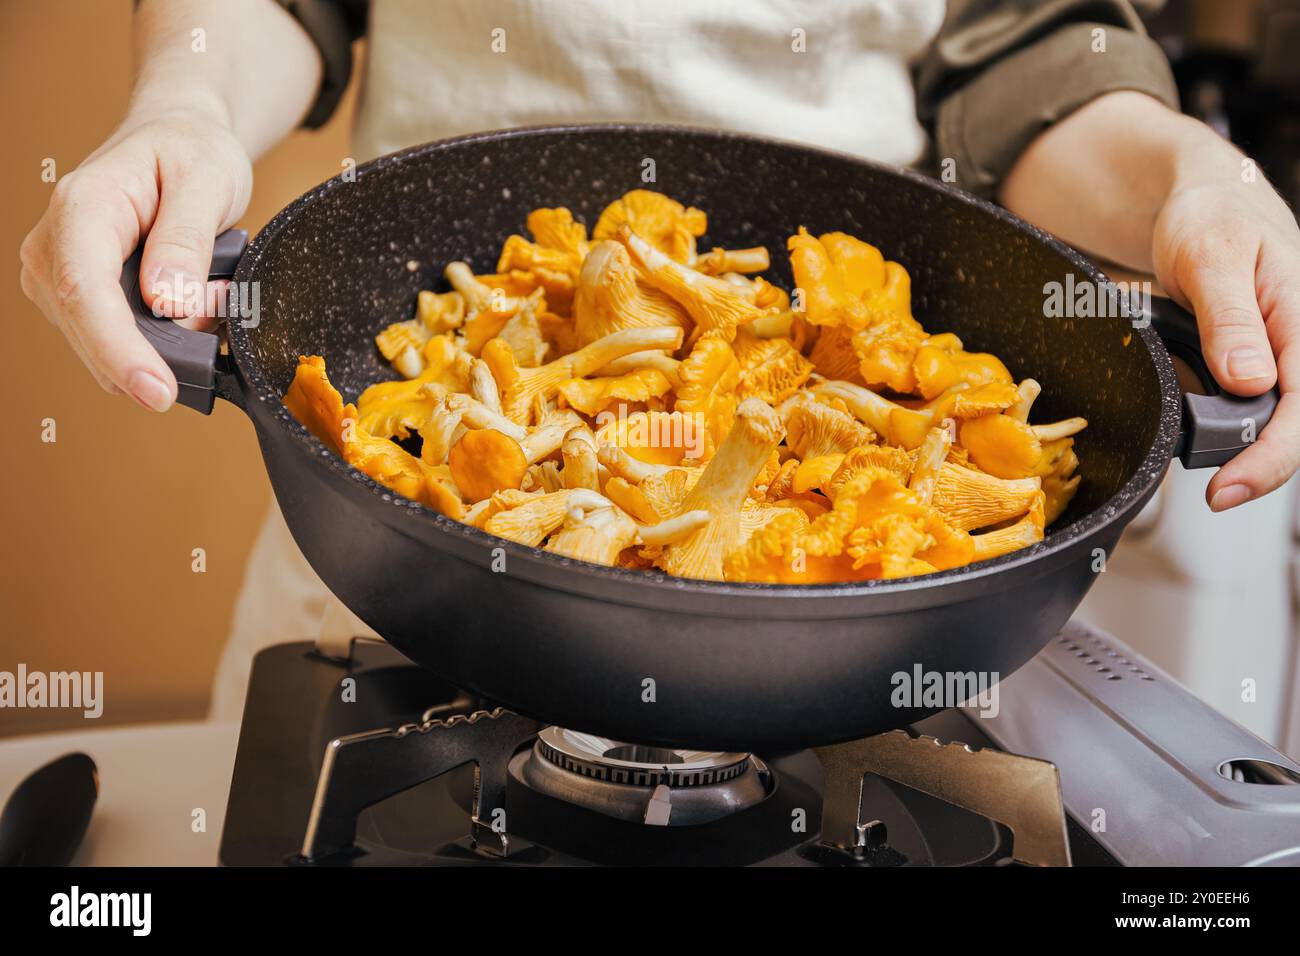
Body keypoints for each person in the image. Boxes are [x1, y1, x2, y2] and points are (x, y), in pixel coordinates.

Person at [19, 0, 1300, 718]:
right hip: (421, 571)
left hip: (848, 635)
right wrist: (182, 106)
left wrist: (1188, 173)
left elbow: (1026, 55)